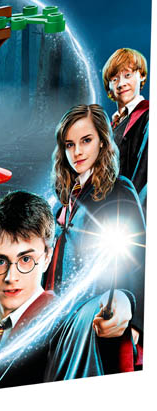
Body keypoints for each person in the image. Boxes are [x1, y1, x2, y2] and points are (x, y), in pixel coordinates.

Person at [0, 191, 104, 390]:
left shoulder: (64, 327)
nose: (11, 277)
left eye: (25, 259)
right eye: (0, 261)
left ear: (47, 257)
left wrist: (122, 299)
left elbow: (88, 317)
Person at [42, 103, 144, 372]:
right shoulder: (61, 203)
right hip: (61, 321)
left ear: (102, 142)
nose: (77, 151)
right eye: (69, 144)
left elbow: (140, 256)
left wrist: (136, 322)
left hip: (103, 319)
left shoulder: (119, 190)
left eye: (86, 140)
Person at [103, 47, 148, 203]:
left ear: (141, 75)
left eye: (127, 75)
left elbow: (144, 172)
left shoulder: (148, 116)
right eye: (114, 79)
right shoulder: (110, 127)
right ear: (109, 87)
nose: (121, 84)